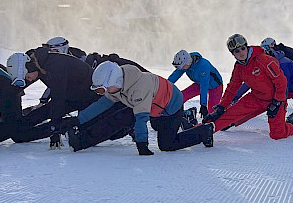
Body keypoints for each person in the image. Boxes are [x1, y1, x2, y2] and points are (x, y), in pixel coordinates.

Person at [68, 61, 214, 154]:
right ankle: (81, 141)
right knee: (118, 119)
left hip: (170, 109)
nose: (104, 92)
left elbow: (141, 119)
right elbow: (101, 104)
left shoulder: (139, 88)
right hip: (152, 105)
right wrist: (78, 120)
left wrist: (142, 144)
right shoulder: (120, 83)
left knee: (166, 145)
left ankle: (205, 130)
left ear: (116, 81)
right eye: (100, 90)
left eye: (104, 89)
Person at [203, 34, 293, 138]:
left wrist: (277, 101)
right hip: (256, 98)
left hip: (275, 100)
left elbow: (281, 81)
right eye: (237, 51)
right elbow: (232, 88)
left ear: (246, 47)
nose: (241, 53)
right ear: (233, 54)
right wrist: (221, 107)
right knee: (227, 116)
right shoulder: (239, 67)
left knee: (277, 134)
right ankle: (205, 130)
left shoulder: (264, 59)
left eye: (242, 48)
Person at [6, 48, 101, 148]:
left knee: (23, 135)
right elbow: (17, 89)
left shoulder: (55, 65)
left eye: (28, 77)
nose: (29, 80)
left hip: (88, 99)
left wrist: (55, 131)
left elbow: (58, 99)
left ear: (29, 68)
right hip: (70, 97)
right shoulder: (38, 64)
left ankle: (69, 124)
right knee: (21, 126)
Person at [236, 46, 293, 130]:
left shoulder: (282, 64)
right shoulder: (261, 64)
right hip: (285, 88)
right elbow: (250, 82)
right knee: (262, 100)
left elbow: (283, 89)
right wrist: (235, 97)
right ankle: (234, 121)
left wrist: (275, 104)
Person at [168, 50, 224, 120]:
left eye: (181, 67)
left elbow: (204, 86)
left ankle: (228, 117)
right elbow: (175, 76)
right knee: (181, 97)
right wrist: (165, 86)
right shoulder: (185, 64)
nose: (180, 69)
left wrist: (203, 105)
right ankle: (176, 115)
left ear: (187, 63)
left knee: (212, 112)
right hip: (199, 83)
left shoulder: (203, 65)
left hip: (215, 86)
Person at [35, 36, 89, 109]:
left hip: (83, 95)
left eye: (52, 51)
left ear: (61, 50)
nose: (50, 54)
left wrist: (43, 101)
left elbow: (56, 82)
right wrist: (43, 101)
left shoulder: (79, 60)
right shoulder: (56, 61)